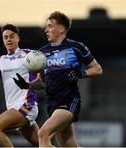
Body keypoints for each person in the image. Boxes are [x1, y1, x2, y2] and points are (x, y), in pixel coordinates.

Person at [13, 11, 103, 147]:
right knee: (69, 146)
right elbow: (41, 82)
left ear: (61, 29)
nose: (46, 30)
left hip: (69, 100)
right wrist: (27, 85)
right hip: (52, 104)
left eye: (50, 26)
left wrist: (82, 73)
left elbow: (97, 69)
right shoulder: (42, 52)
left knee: (43, 133)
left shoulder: (76, 47)